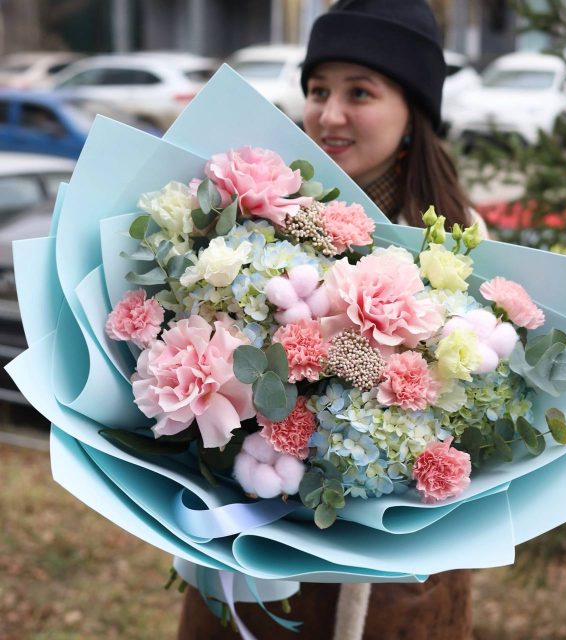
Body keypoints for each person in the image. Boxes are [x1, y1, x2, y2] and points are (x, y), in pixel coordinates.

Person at [177, 1, 481, 638]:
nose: (329, 114)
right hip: (253, 566)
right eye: (318, 90)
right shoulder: (261, 220)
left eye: (359, 92)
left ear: (414, 111)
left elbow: (478, 419)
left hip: (399, 586)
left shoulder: (462, 246)